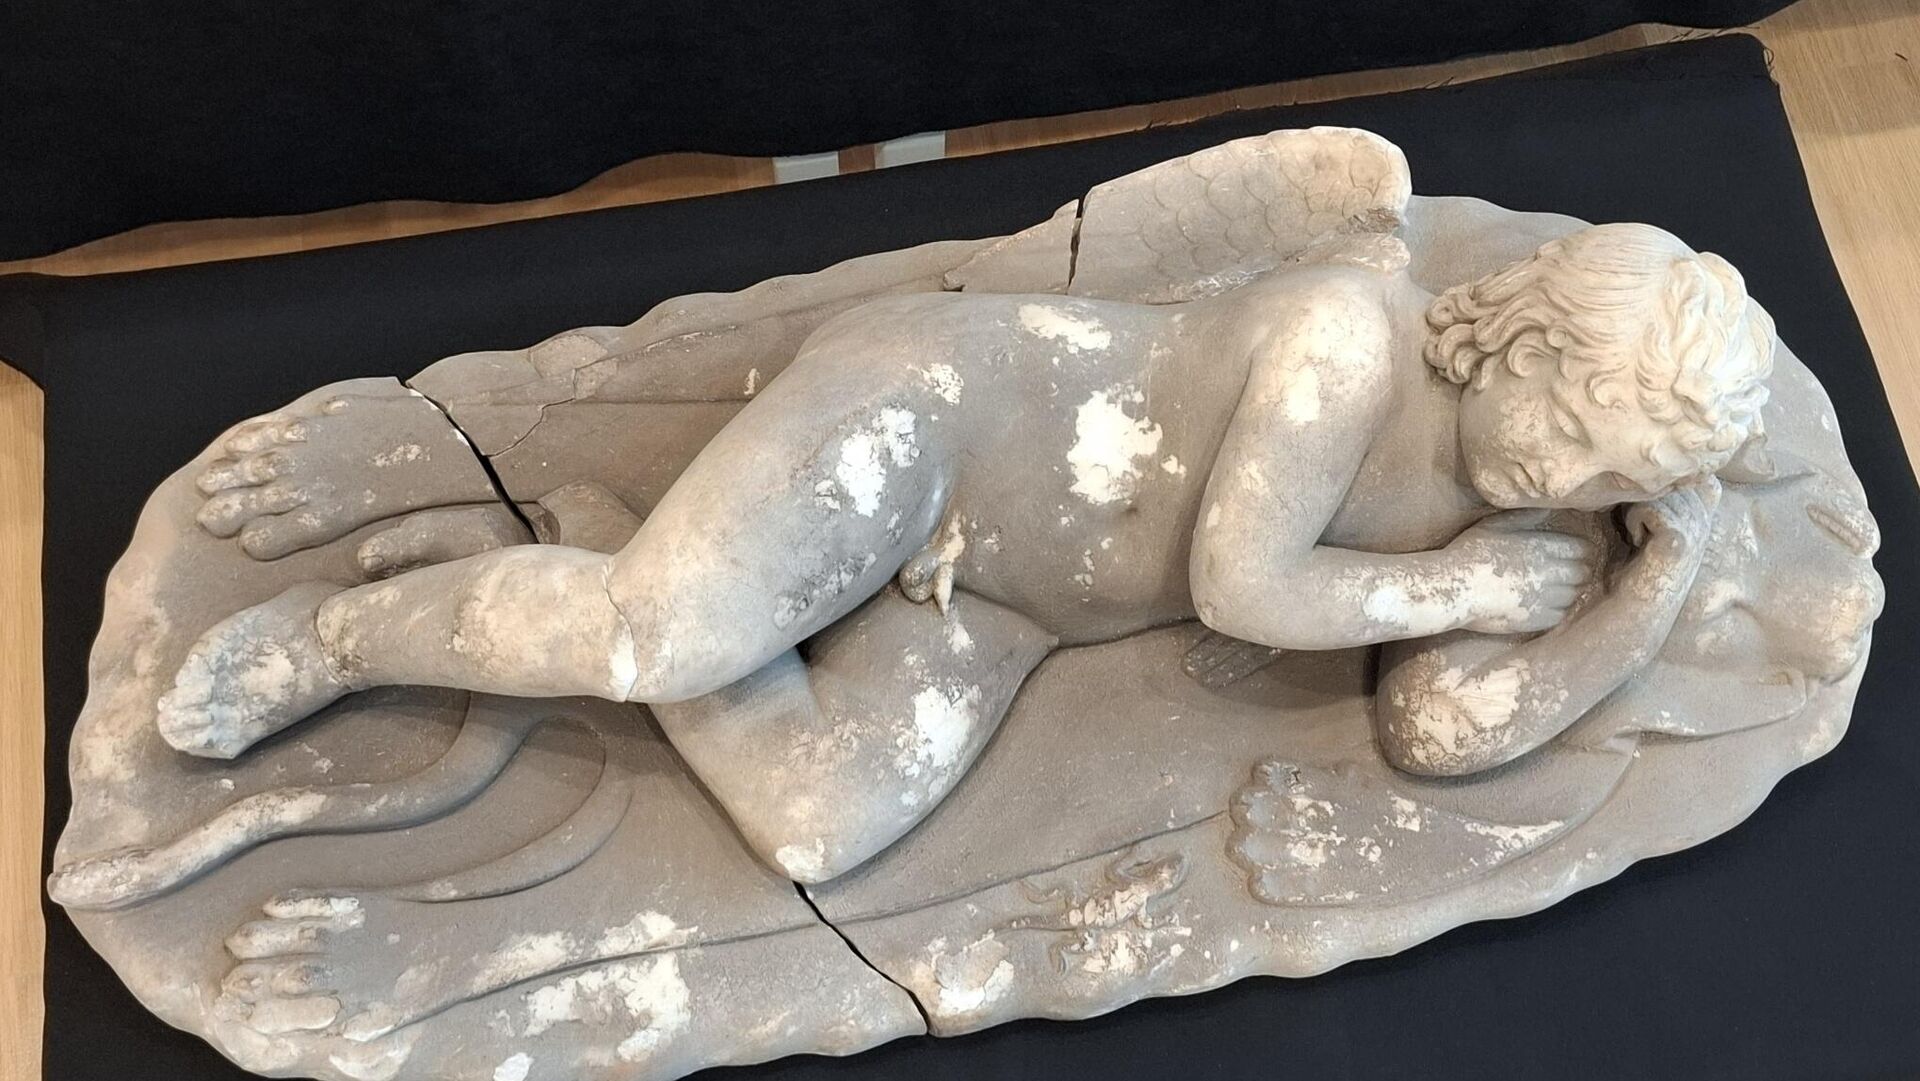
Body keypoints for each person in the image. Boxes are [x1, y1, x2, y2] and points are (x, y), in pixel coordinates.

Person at [156, 222, 1774, 880]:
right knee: (660, 639)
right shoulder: (1349, 343)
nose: (1578, 484)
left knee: (816, 823)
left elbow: (1438, 728)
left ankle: (635, 565)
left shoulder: (1522, 505)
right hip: (943, 423)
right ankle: (339, 639)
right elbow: (1246, 583)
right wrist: (1458, 586)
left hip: (1006, 600)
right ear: (1529, 344)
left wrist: (1648, 590)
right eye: (1586, 435)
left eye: (1622, 479)